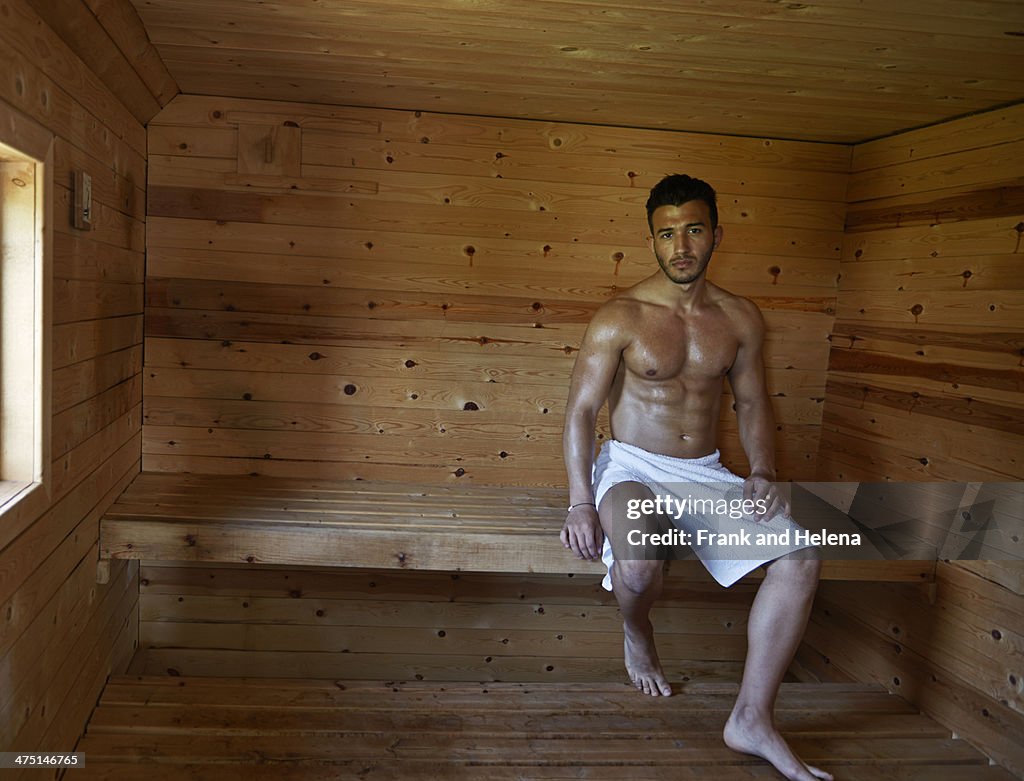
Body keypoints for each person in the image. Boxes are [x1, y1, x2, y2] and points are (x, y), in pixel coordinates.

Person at [561, 174, 831, 781]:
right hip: (631, 466)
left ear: (714, 236)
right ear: (651, 240)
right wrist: (580, 501)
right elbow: (580, 411)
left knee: (803, 558)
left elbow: (754, 404)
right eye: (666, 233)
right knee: (636, 562)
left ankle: (752, 719)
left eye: (693, 229)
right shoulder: (620, 316)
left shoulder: (739, 317)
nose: (680, 245)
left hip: (705, 473)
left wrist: (763, 469)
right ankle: (637, 631)